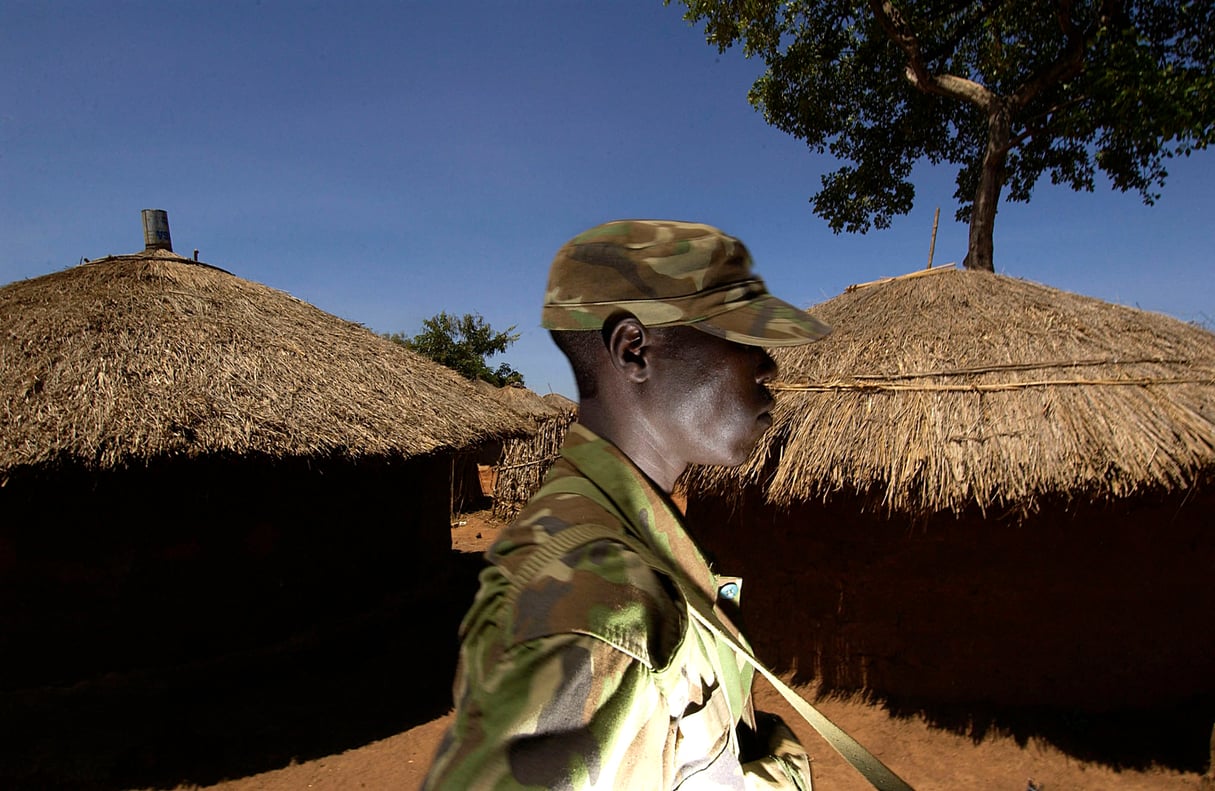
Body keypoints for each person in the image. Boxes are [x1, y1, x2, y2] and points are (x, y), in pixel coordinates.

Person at [423, 219, 831, 790]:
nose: (770, 366)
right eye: (743, 339)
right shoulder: (603, 612)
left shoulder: (637, 558)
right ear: (633, 349)